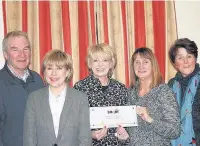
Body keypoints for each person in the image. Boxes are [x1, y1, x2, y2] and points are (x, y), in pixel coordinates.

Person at [23, 50, 91, 146]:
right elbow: (29, 138)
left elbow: (85, 139)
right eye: (49, 68)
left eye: (59, 68)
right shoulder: (34, 99)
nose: (53, 73)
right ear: (44, 72)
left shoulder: (80, 98)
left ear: (67, 72)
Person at [74, 43, 129, 145]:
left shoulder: (120, 88)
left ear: (111, 63)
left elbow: (127, 121)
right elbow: (72, 123)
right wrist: (90, 134)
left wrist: (124, 135)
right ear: (90, 64)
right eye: (95, 60)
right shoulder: (80, 88)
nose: (100, 65)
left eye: (105, 60)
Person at [127, 47, 181, 146]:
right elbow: (131, 130)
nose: (141, 66)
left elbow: (174, 131)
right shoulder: (130, 93)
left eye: (145, 62)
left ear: (153, 65)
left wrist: (149, 119)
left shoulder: (163, 91)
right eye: (137, 62)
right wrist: (123, 135)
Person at [0, 31, 44, 146]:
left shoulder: (38, 79)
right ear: (5, 54)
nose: (22, 55)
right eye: (15, 50)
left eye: (26, 49)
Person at [168, 38, 200, 146]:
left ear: (195, 59)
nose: (185, 61)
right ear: (174, 63)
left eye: (189, 56)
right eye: (180, 58)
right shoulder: (170, 85)